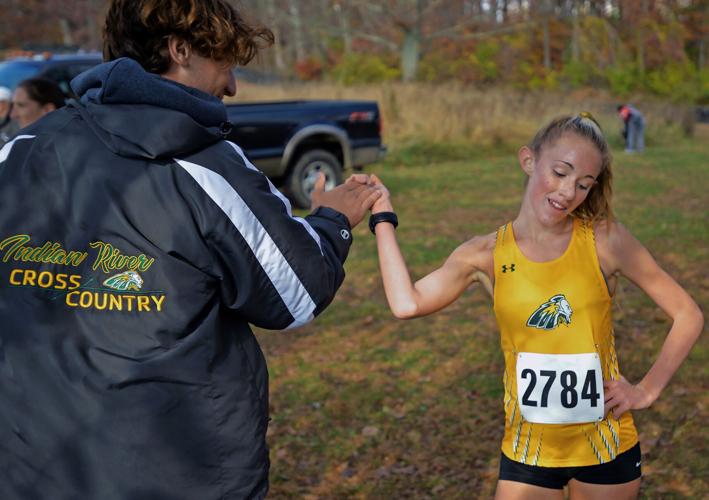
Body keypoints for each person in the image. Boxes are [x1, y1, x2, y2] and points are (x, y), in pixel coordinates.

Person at [0, 1, 381, 499]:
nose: (232, 86)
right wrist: (332, 219)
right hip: (174, 470)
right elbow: (295, 290)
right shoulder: (202, 163)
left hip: (34, 464)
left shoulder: (21, 149)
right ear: (180, 50)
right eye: (225, 64)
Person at [369, 113, 703, 499]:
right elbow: (406, 303)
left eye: (583, 184)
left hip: (605, 446)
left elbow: (687, 314)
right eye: (560, 172)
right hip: (527, 450)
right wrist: (382, 219)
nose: (567, 192)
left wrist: (646, 391)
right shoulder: (484, 254)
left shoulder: (604, 241)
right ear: (528, 160)